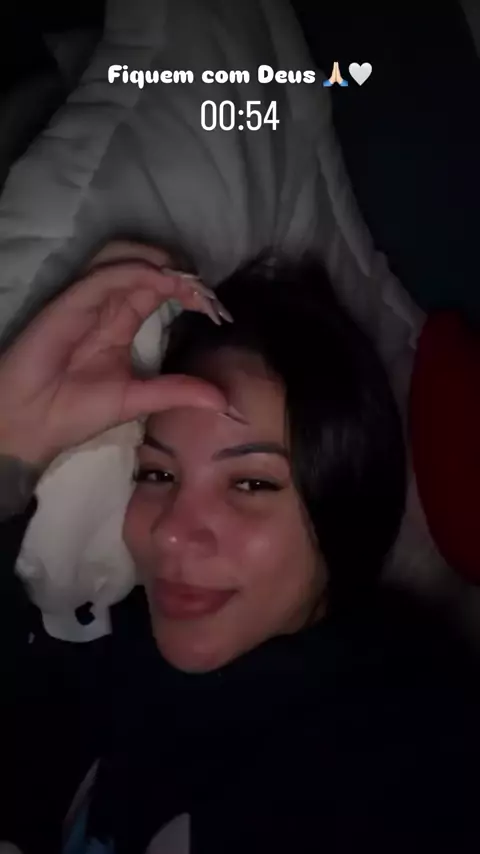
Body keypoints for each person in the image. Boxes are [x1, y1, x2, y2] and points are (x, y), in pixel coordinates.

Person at [0, 246, 479, 854]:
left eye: (251, 483)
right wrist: (9, 448)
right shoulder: (91, 642)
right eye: (158, 474)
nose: (171, 533)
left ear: (345, 507)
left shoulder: (410, 752)